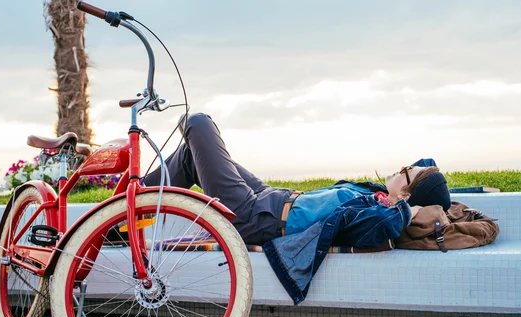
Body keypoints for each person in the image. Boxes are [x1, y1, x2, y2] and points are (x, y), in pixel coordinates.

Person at [144, 113, 451, 304]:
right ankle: (123, 217)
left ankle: (123, 211)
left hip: (255, 216)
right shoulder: (377, 195)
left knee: (197, 123)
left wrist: (407, 209)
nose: (399, 169)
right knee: (189, 154)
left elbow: (379, 228)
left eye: (405, 171)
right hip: (269, 197)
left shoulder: (382, 214)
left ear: (407, 192)